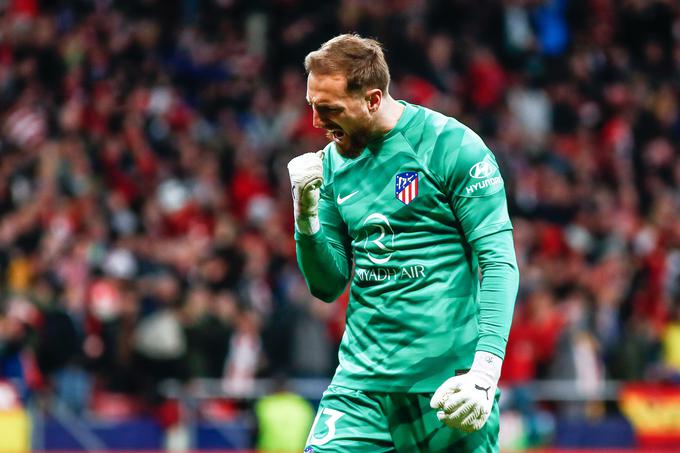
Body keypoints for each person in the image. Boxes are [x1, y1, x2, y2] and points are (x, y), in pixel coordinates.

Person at [287, 34, 519, 452]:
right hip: (362, 388)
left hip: (450, 388)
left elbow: (498, 261)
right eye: (312, 106)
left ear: (373, 99)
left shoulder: (452, 147)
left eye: (329, 109)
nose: (317, 123)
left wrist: (485, 372)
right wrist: (306, 220)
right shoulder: (331, 166)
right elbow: (327, 285)